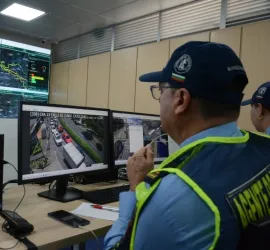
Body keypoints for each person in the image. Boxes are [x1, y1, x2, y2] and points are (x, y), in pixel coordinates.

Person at [104, 41, 270, 250]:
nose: (159, 99)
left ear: (181, 100)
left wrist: (136, 187)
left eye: (161, 90)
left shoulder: (170, 197)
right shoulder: (265, 146)